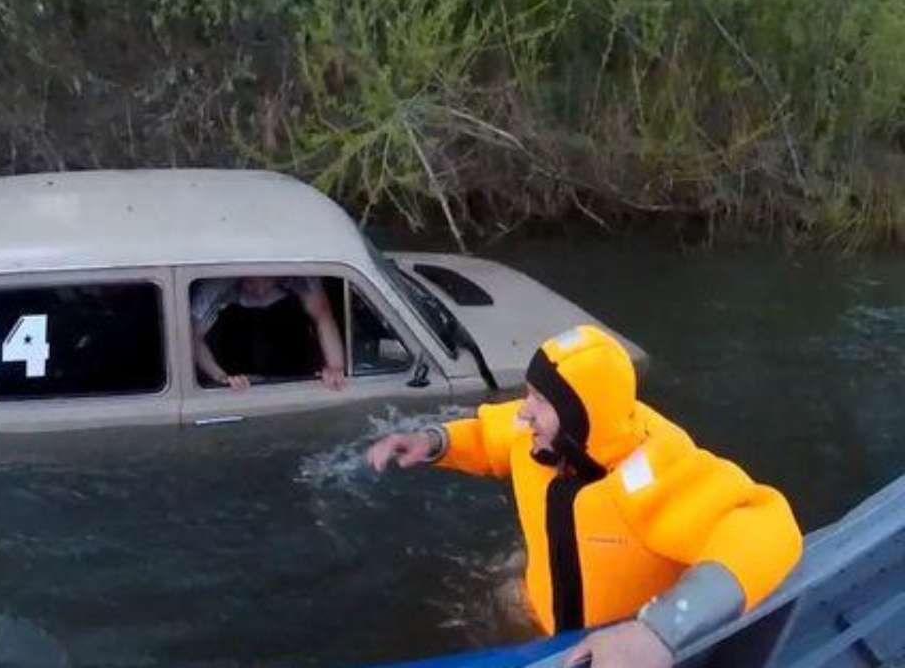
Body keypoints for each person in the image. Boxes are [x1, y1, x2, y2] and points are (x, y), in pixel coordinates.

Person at [366, 325, 802, 668]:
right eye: (529, 395)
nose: (523, 411)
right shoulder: (538, 437)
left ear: (580, 417)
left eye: (540, 400)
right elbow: (487, 436)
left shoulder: (656, 477)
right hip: (541, 627)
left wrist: (660, 631)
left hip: (614, 653)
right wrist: (432, 441)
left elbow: (766, 526)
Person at [192, 276, 345, 391]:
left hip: (293, 376)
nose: (259, 290)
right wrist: (221, 377)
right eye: (251, 282)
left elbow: (323, 316)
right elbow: (193, 336)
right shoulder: (217, 284)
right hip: (240, 379)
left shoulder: (298, 277)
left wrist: (334, 367)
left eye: (265, 281)